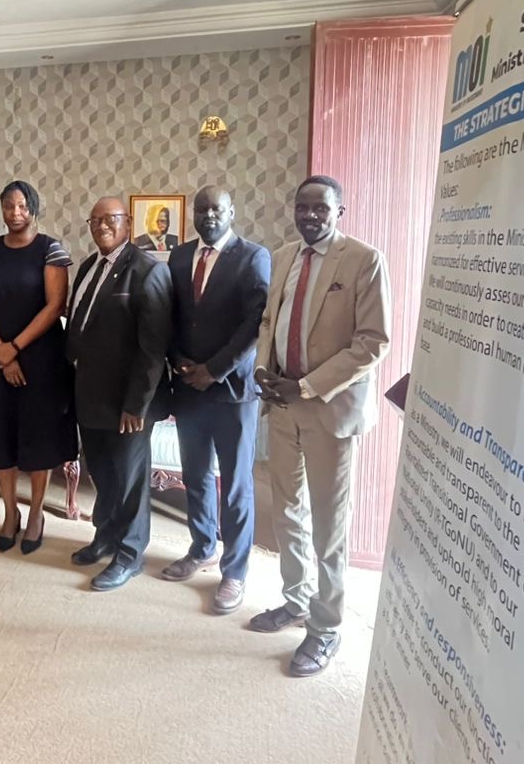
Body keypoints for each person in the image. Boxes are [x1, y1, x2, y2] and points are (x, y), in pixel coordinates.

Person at [250, 175, 391, 677]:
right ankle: (296, 599)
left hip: (328, 408)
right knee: (287, 509)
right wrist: (263, 369)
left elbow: (373, 342)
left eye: (321, 208)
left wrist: (306, 386)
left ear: (339, 211)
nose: (310, 215)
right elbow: (271, 322)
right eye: (302, 207)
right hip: (282, 404)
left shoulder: (364, 260)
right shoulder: (284, 256)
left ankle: (326, 626)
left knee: (329, 526)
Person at [162, 185, 271, 614]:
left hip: (232, 391)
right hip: (189, 385)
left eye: (217, 208)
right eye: (202, 208)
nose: (209, 215)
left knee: (236, 485)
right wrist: (178, 361)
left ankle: (235, 570)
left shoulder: (253, 257)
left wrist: (214, 369)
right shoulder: (179, 256)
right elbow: (169, 315)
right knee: (196, 475)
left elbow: (254, 324)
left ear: (231, 212)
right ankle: (203, 546)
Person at [66, 196, 172, 591]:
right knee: (102, 472)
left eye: (110, 219)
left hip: (129, 402)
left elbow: (153, 348)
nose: (102, 226)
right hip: (90, 393)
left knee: (129, 480)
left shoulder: (147, 270)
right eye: (95, 220)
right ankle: (106, 535)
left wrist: (136, 405)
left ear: (127, 222)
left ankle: (130, 554)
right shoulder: (87, 267)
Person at [0, 181, 78, 554]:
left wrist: (14, 348)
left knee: (38, 436)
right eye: (8, 206)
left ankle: (35, 514)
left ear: (33, 208)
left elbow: (55, 305)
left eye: (21, 206)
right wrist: (1, 351)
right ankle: (10, 512)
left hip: (40, 359)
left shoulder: (50, 249)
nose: (15, 213)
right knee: (0, 435)